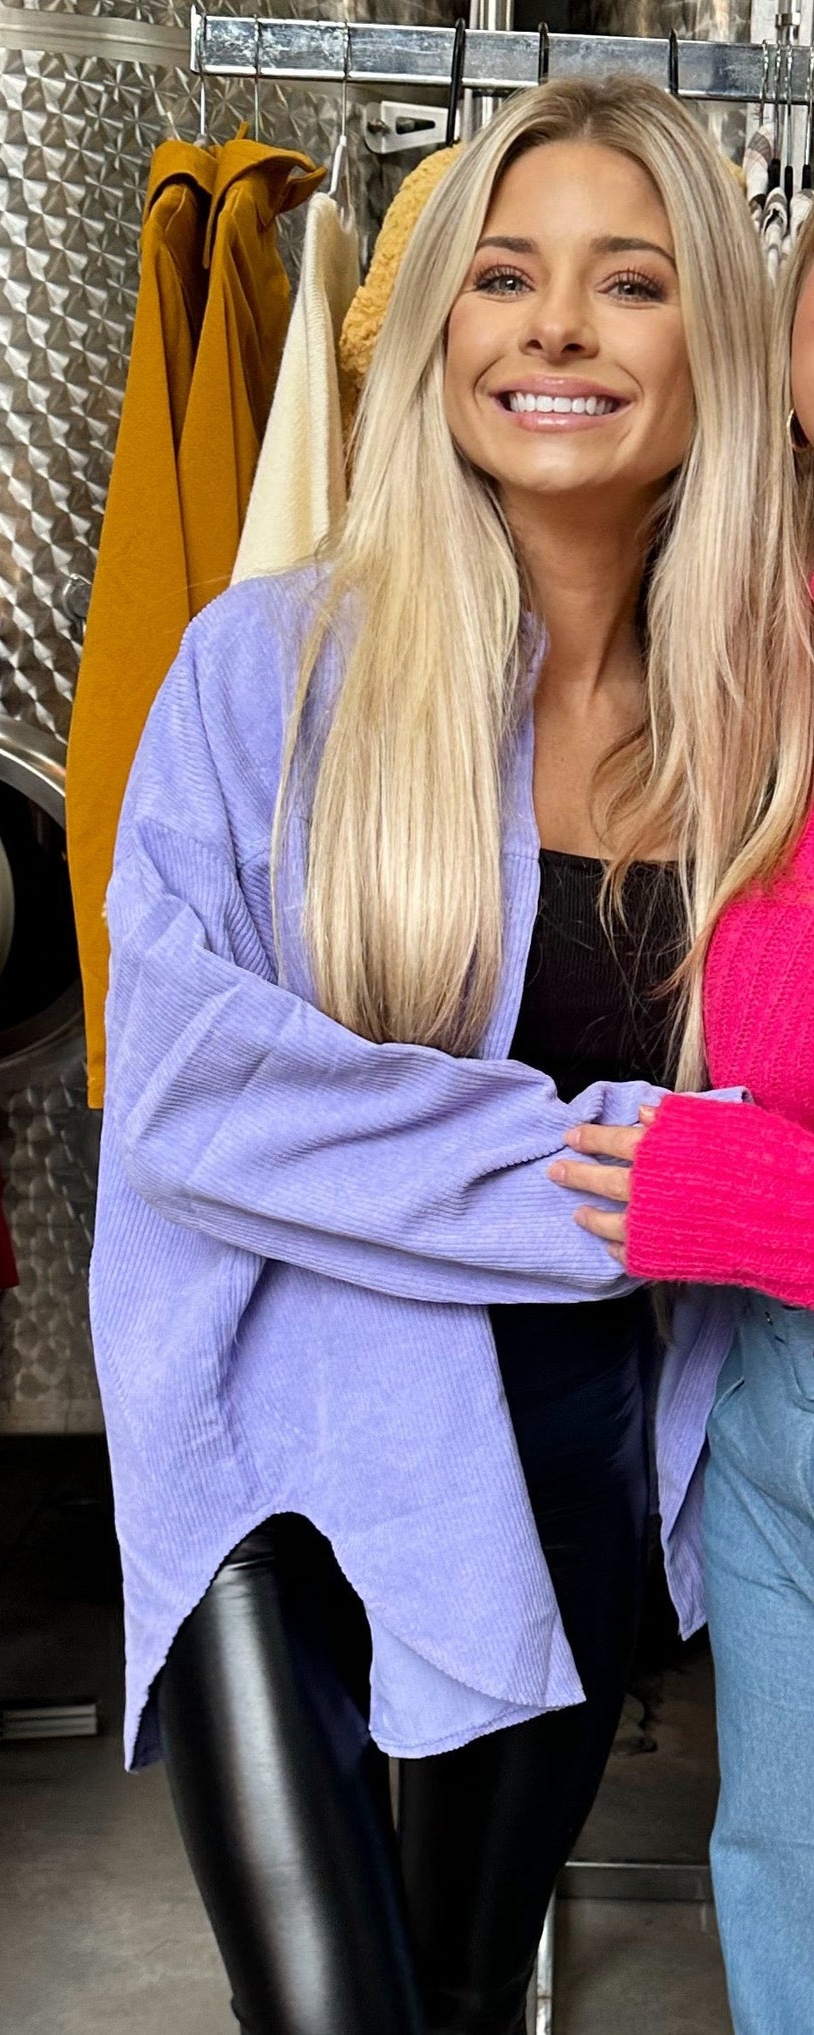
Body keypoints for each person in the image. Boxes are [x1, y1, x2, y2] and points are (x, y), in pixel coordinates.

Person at [91, 77, 779, 2035]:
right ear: (445, 334)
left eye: (628, 282)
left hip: (555, 1466)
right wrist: (627, 1175)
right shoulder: (266, 669)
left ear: (707, 342)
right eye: (505, 276)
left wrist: (680, 1193)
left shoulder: (764, 737)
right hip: (268, 1434)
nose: (556, 328)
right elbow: (193, 1091)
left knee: (469, 1992)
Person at [551, 206, 814, 2035]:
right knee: (785, 1868)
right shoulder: (742, 606)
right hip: (759, 1395)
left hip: (756, 1261)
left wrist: (757, 1201)